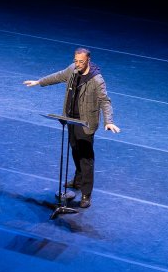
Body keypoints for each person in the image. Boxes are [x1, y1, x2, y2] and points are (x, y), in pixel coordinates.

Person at [23, 47, 120, 208]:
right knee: (75, 150)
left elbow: (105, 101)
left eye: (81, 62)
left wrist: (108, 121)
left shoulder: (96, 80)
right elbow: (58, 76)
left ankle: (86, 194)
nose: (78, 64)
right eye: (76, 61)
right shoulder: (72, 69)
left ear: (88, 60)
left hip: (85, 123)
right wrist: (39, 82)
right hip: (70, 119)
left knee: (86, 158)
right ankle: (78, 179)